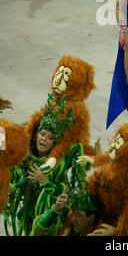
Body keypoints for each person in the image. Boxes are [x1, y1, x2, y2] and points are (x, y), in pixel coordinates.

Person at [3, 94, 82, 236]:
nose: (44, 139)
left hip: (51, 215)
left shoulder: (57, 163)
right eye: (43, 134)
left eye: (51, 138)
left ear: (55, 143)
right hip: (28, 211)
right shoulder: (25, 154)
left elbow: (64, 191)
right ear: (36, 135)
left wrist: (45, 181)